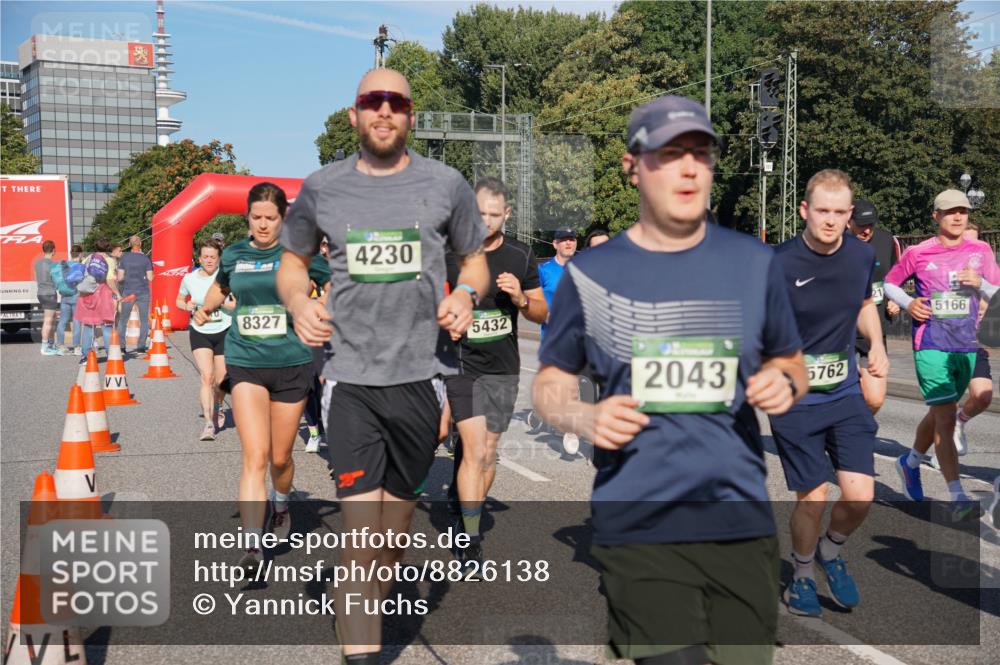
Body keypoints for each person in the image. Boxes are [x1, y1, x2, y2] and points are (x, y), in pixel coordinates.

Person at [532, 94, 807, 665]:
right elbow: (550, 383)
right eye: (669, 153)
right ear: (632, 166)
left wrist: (785, 384)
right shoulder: (590, 273)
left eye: (701, 154)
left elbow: (791, 362)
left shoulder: (754, 263)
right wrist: (582, 416)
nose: (688, 167)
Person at [276, 68, 488, 663]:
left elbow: (473, 261)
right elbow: (292, 264)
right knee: (362, 541)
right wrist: (297, 301)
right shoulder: (322, 187)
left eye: (396, 101)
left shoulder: (447, 184)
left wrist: (465, 294)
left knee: (389, 543)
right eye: (374, 100)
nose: (385, 110)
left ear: (411, 114)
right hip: (351, 384)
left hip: (422, 382)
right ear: (355, 114)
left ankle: (370, 589)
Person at [194, 182, 331, 569]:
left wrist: (325, 307)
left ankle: (282, 504)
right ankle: (253, 547)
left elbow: (332, 281)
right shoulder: (235, 254)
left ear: (283, 218)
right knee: (254, 457)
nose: (264, 225)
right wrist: (205, 310)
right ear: (247, 217)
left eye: (271, 218)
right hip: (246, 361)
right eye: (257, 218)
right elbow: (220, 289)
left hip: (291, 363)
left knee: (281, 459)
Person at [770, 170, 887, 618]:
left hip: (844, 393)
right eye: (823, 211)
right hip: (794, 399)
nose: (831, 220)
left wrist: (876, 345)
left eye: (841, 212)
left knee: (860, 496)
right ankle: (800, 577)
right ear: (805, 210)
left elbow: (864, 305)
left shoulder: (860, 256)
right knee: (814, 497)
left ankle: (830, 552)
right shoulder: (778, 263)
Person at [444, 176, 548, 576]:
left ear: (506, 214)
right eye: (478, 213)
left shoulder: (521, 257)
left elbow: (541, 313)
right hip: (461, 364)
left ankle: (465, 504)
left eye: (494, 214)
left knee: (488, 452)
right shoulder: (451, 253)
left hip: (503, 367)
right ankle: (470, 537)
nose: (485, 221)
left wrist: (521, 298)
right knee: (475, 449)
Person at [885, 189, 1000, 519]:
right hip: (931, 342)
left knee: (941, 412)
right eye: (950, 212)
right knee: (947, 418)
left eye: (963, 211)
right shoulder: (919, 252)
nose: (958, 216)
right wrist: (909, 303)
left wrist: (981, 283)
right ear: (936, 216)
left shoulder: (980, 249)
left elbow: (996, 290)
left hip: (967, 345)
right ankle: (956, 494)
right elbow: (890, 283)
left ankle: (908, 463)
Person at [846, 198, 900, 414]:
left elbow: (897, 278)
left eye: (871, 225)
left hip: (874, 330)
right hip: (841, 332)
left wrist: (896, 299)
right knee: (838, 394)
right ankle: (843, 439)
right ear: (849, 221)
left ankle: (855, 429)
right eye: (861, 224)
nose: (867, 230)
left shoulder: (887, 241)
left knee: (875, 399)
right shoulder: (832, 242)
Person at [177, 238, 232, 441]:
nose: (209, 260)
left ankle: (218, 406)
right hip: (200, 331)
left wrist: (227, 305)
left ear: (219, 259)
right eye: (206, 257)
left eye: (213, 257)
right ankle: (208, 423)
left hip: (224, 329)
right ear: (199, 258)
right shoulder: (189, 279)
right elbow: (179, 301)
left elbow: (237, 303)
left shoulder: (225, 277)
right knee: (206, 377)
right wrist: (187, 307)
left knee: (220, 380)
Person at [75, 238, 120, 362]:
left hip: (87, 295)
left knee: (89, 326)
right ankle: (111, 355)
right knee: (106, 326)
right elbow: (110, 280)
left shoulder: (88, 258)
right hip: (103, 295)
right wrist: (117, 293)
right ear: (107, 248)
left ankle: (85, 356)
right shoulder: (109, 260)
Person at [117, 235, 154, 354]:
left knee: (123, 320)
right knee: (143, 320)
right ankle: (141, 346)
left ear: (129, 244)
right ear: (141, 244)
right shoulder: (146, 259)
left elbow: (120, 277)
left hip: (128, 291)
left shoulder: (124, 258)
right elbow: (150, 278)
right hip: (143, 291)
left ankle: (122, 347)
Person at [538, 226, 577, 338]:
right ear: (555, 244)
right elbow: (532, 300)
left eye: (571, 239)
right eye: (564, 240)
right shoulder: (543, 270)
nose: (568, 243)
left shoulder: (585, 268)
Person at [51, 244, 83, 355]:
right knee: (77, 321)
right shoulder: (80, 266)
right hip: (76, 296)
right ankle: (77, 347)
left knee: (63, 321)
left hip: (64, 296)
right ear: (80, 254)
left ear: (71, 253)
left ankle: (60, 346)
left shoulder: (63, 265)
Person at [34, 240, 60, 355]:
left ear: (43, 250)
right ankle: (44, 347)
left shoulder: (37, 263)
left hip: (40, 293)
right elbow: (56, 281)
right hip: (49, 293)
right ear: (53, 250)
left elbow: (37, 278)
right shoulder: (53, 265)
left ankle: (50, 344)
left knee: (51, 320)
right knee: (48, 321)